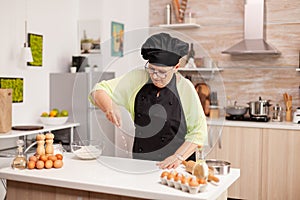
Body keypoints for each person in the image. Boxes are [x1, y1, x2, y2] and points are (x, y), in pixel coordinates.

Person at [89, 32, 207, 169]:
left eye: (162, 72)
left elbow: (198, 133)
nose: (155, 76)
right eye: (151, 69)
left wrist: (178, 157)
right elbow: (97, 91)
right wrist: (109, 106)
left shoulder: (186, 88)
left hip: (176, 166)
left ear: (176, 68)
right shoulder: (137, 78)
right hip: (141, 163)